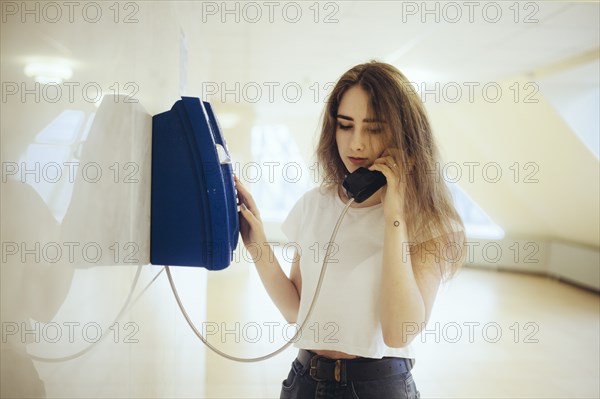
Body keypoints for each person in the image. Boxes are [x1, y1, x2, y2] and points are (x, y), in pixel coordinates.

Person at [234, 61, 466, 399]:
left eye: (373, 129)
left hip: (376, 386)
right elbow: (298, 313)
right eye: (346, 125)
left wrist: (394, 216)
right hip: (305, 381)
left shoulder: (429, 223)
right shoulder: (315, 204)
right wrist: (257, 245)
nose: (355, 144)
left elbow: (399, 333)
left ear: (404, 137)